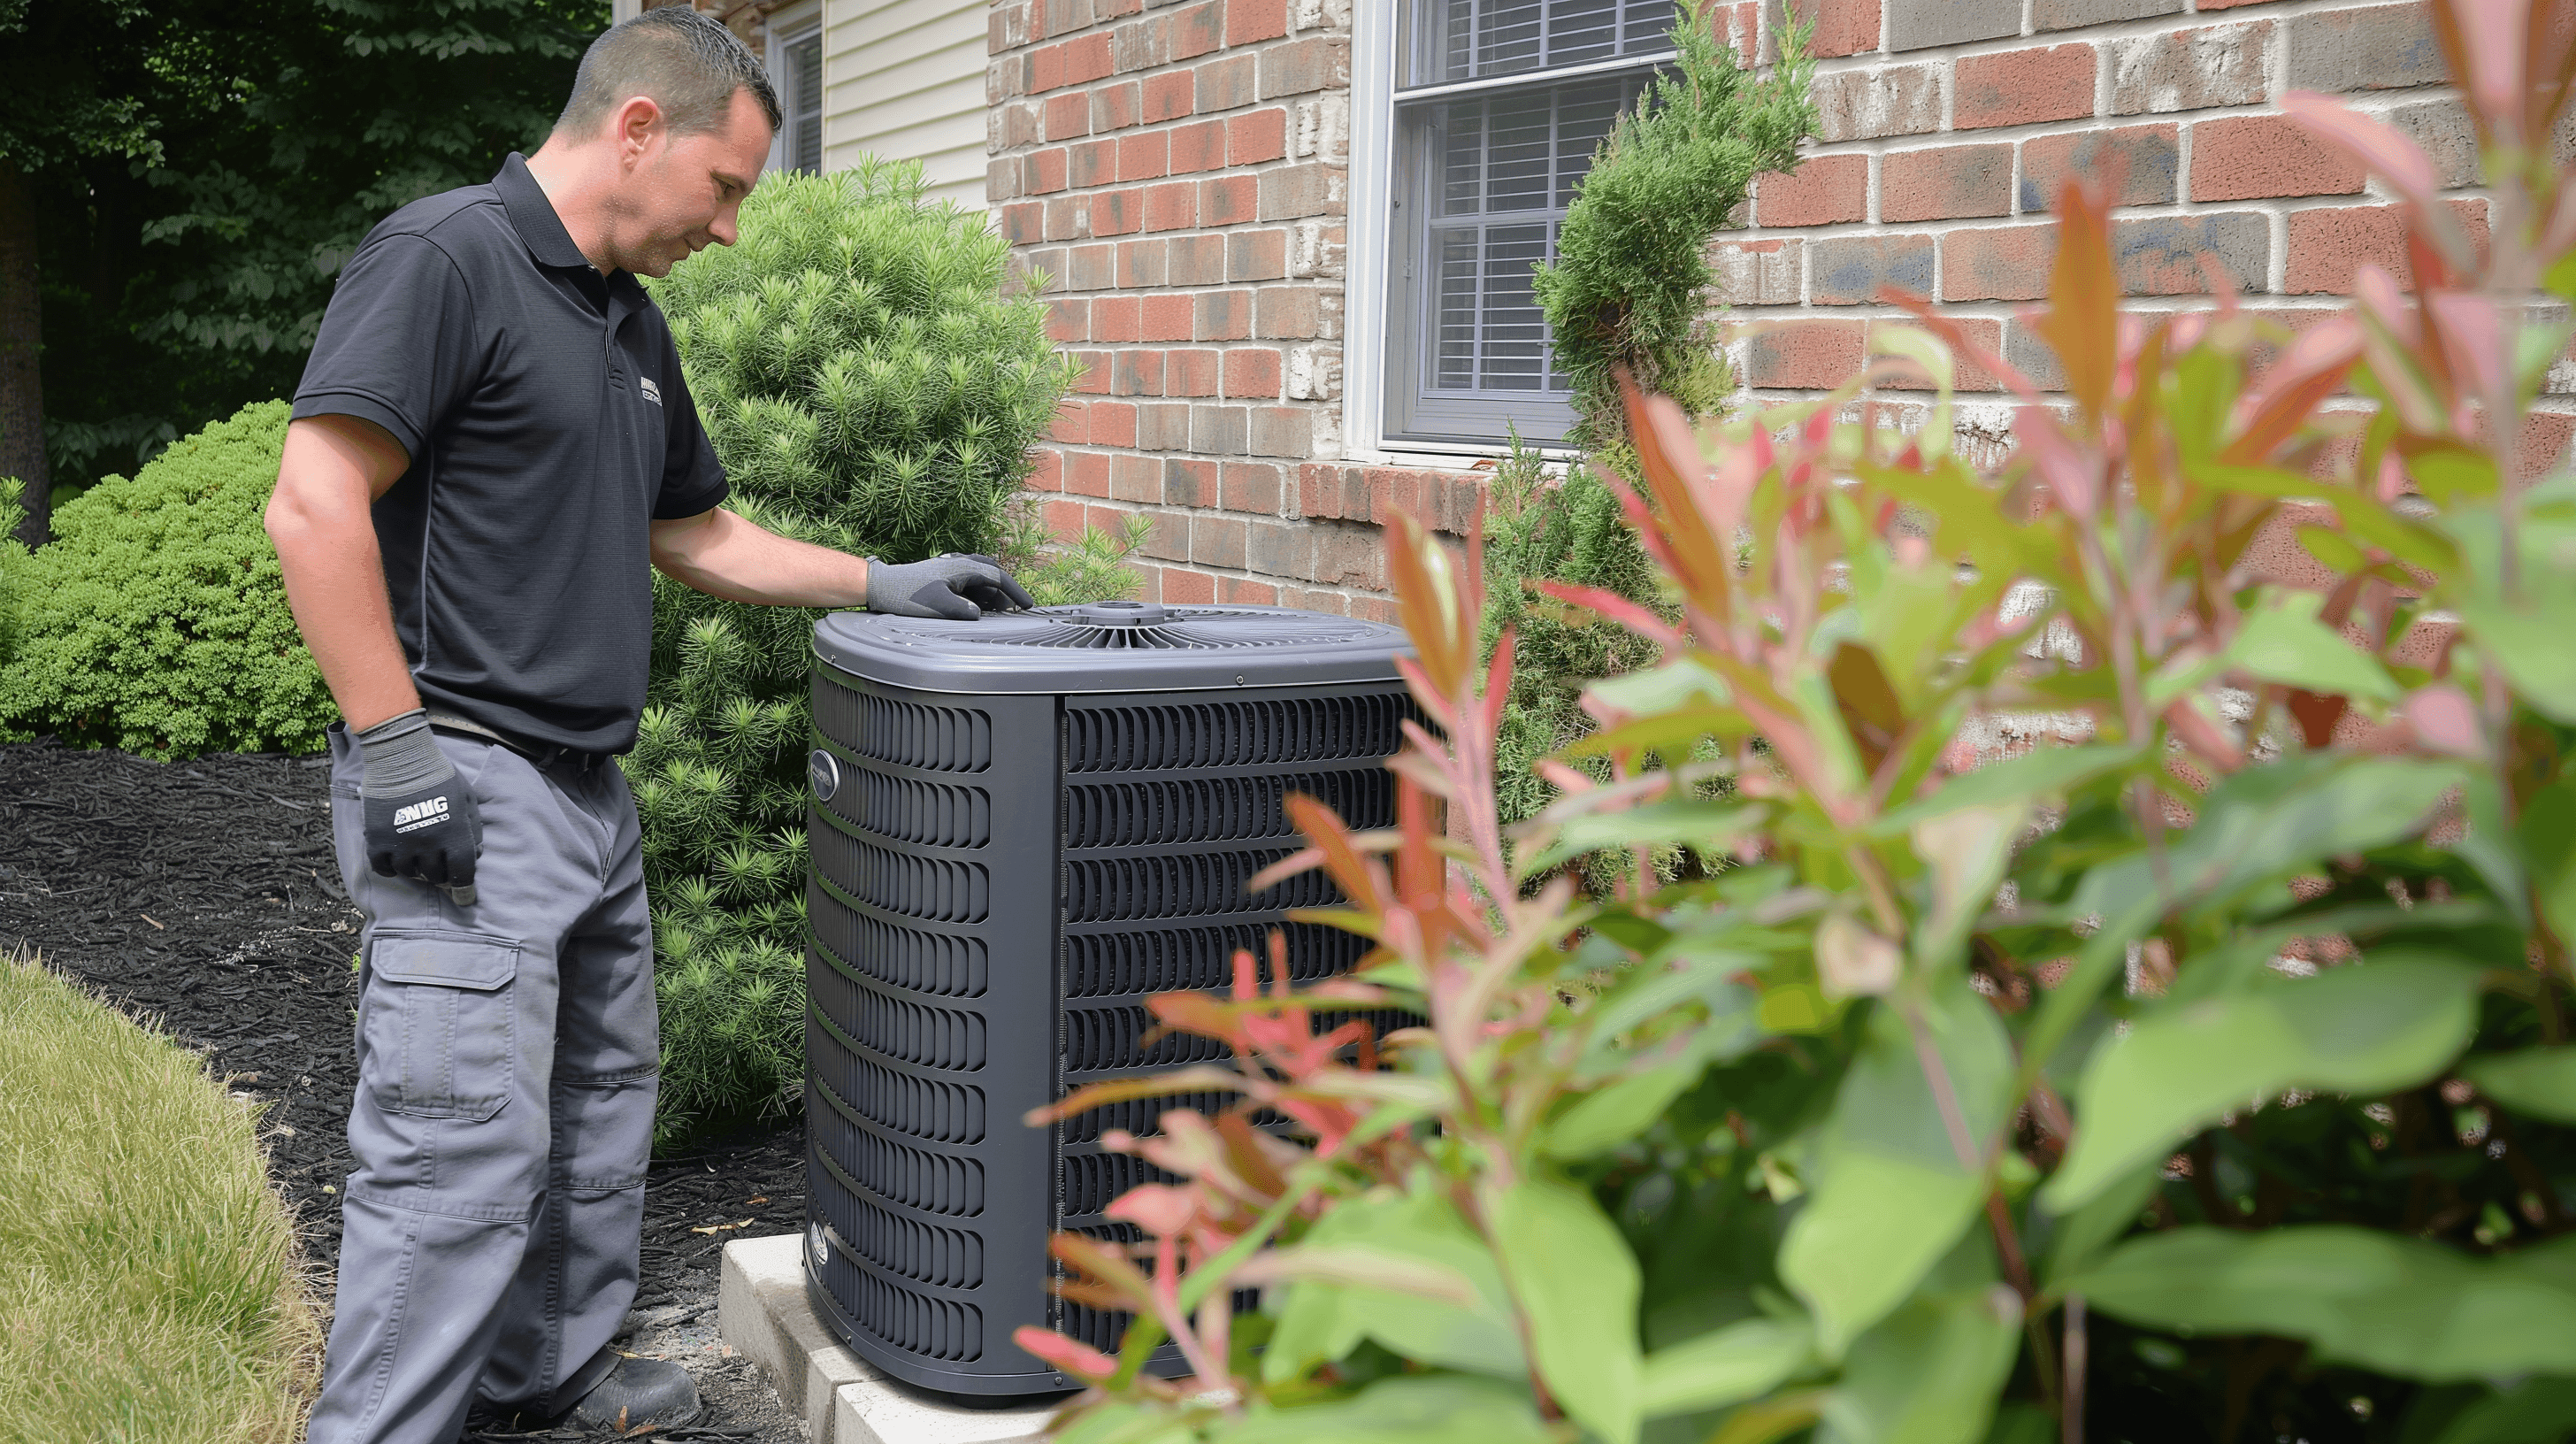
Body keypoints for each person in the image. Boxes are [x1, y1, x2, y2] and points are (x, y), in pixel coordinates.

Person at [263, 10, 1034, 1441]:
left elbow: (702, 536)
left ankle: (538, 1378)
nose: (731, 228)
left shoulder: (622, 318)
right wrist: (394, 748)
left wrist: (889, 582)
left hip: (587, 797)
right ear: (635, 131)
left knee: (597, 1109)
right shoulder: (446, 261)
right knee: (455, 1160)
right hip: (468, 779)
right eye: (725, 187)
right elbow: (312, 503)